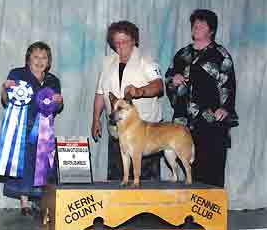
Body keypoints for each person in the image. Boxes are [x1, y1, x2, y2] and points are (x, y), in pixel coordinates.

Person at [165, 9, 238, 187]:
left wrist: (225, 108)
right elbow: (168, 78)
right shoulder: (182, 54)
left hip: (211, 122)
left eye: (201, 25)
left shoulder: (221, 54)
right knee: (190, 174)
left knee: (212, 174)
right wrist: (173, 81)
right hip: (183, 124)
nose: (196, 27)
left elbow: (229, 85)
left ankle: (212, 213)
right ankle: (191, 214)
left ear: (211, 30)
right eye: (194, 24)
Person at [91, 20, 164, 181]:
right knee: (118, 181)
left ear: (134, 40)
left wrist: (140, 91)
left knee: (146, 184)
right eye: (116, 42)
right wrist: (96, 119)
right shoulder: (107, 63)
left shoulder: (147, 61)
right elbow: (100, 93)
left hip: (146, 131)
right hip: (118, 132)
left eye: (124, 42)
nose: (120, 46)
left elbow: (159, 86)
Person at [0, 41, 63, 215]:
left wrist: (58, 100)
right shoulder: (17, 74)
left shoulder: (53, 80)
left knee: (43, 165)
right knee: (23, 164)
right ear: (28, 59)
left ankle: (42, 201)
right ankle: (24, 202)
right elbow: (6, 100)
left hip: (44, 129)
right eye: (36, 56)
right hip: (21, 128)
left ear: (49, 61)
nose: (40, 60)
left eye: (44, 57)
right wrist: (4, 89)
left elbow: (57, 106)